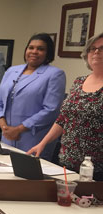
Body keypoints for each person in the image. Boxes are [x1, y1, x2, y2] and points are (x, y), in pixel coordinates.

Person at [28, 33, 103, 181]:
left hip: (96, 169)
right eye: (92, 48)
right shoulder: (79, 81)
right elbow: (63, 119)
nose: (96, 52)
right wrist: (42, 144)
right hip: (66, 162)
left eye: (102, 48)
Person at [0, 33, 65, 160]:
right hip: (7, 136)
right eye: (31, 47)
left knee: (28, 176)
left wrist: (19, 129)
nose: (34, 51)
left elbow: (51, 110)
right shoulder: (11, 71)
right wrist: (4, 127)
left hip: (33, 139)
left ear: (48, 53)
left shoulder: (55, 75)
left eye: (40, 49)